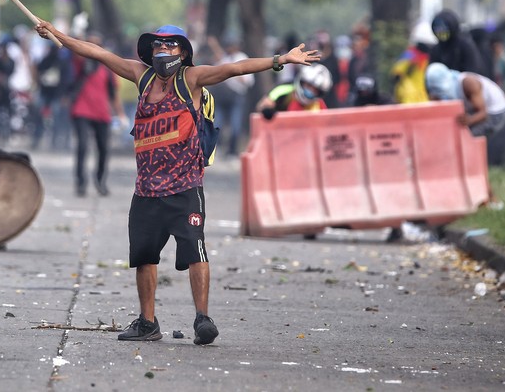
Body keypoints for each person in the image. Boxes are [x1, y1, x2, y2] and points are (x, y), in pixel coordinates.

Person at [34, 19, 319, 346]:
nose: (162, 50)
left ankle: (202, 318)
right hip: (147, 189)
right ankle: (147, 322)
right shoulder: (142, 77)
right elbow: (97, 53)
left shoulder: (191, 79)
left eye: (169, 45)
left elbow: (235, 68)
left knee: (195, 250)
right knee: (144, 256)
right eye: (157, 45)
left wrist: (280, 60)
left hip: (185, 186)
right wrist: (56, 35)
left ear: (183, 52)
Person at [68, 31, 125, 197]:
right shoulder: (82, 62)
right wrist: (78, 36)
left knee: (103, 149)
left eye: (97, 44)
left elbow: (113, 94)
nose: (93, 48)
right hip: (81, 110)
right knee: (83, 147)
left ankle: (100, 181)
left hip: (102, 113)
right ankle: (81, 183)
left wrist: (120, 115)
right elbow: (75, 51)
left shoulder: (108, 67)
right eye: (89, 44)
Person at [425, 62, 505, 139]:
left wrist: (469, 120)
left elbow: (483, 114)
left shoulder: (469, 84)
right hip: (476, 109)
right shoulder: (439, 91)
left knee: (468, 137)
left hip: (495, 112)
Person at [206, 36, 254, 156]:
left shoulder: (242, 58)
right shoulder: (225, 58)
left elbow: (247, 81)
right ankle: (213, 149)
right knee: (217, 123)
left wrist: (234, 72)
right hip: (222, 96)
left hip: (236, 95)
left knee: (235, 124)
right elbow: (217, 66)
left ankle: (232, 150)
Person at [255, 63, 333, 118]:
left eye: (315, 90)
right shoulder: (283, 89)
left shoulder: (319, 104)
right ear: (302, 82)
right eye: (309, 86)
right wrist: (267, 111)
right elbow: (262, 106)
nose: (311, 91)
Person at [392, 21, 437, 104]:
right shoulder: (410, 54)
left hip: (425, 97)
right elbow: (397, 74)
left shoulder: (429, 57)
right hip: (410, 99)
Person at [429, 9, 486, 75]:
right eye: (437, 29)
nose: (440, 31)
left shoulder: (465, 46)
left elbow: (472, 72)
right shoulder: (436, 49)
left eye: (444, 28)